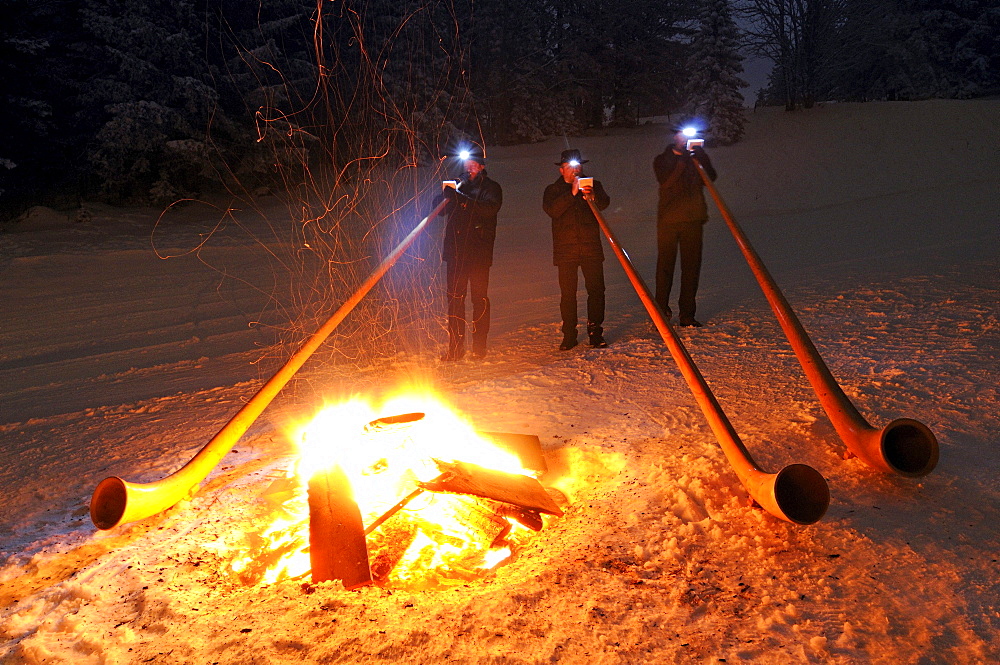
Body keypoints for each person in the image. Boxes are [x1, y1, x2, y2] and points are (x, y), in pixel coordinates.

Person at [542, 148, 611, 350]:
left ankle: (595, 331)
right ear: (561, 170)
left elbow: (605, 203)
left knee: (597, 290)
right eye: (570, 167)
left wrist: (594, 196)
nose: (575, 170)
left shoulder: (593, 185)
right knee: (568, 294)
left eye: (578, 166)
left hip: (591, 248)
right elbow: (553, 211)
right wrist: (572, 193)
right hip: (566, 251)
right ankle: (569, 334)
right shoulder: (552, 190)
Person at [439, 149, 503, 361]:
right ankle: (455, 348)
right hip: (456, 253)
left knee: (479, 299)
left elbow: (488, 210)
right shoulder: (458, 185)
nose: (469, 168)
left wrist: (460, 198)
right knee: (455, 300)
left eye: (473, 164)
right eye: (467, 164)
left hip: (478, 254)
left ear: (482, 166)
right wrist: (445, 195)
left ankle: (479, 346)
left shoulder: (491, 188)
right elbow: (438, 210)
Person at [653, 124, 717, 327]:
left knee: (691, 268)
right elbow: (666, 182)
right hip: (669, 221)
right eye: (681, 135)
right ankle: (661, 312)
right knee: (665, 268)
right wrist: (682, 160)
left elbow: (710, 178)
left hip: (693, 219)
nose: (685, 139)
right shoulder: (662, 159)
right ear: (675, 137)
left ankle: (687, 314)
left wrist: (701, 157)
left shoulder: (696, 157)